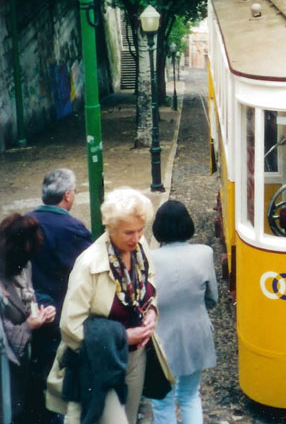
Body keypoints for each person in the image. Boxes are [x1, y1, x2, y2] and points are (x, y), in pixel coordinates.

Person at [46, 187, 170, 424]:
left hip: (136, 356)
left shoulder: (140, 247)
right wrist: (123, 337)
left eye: (140, 230)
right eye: (128, 232)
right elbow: (70, 327)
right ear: (110, 229)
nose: (136, 238)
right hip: (100, 361)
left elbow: (149, 283)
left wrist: (152, 310)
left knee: (130, 418)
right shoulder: (88, 265)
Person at [27, 168, 93, 424]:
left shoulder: (26, 221)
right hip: (61, 308)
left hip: (32, 309)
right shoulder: (73, 228)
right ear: (67, 196)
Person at [150, 199, 218, 424]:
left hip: (161, 338)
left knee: (162, 400)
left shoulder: (149, 259)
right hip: (195, 332)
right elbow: (212, 298)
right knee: (190, 395)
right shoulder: (204, 253)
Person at [0, 213, 56, 423]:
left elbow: (28, 292)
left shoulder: (24, 264)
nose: (26, 266)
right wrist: (30, 324)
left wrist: (41, 311)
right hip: (9, 367)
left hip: (27, 361)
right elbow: (8, 338)